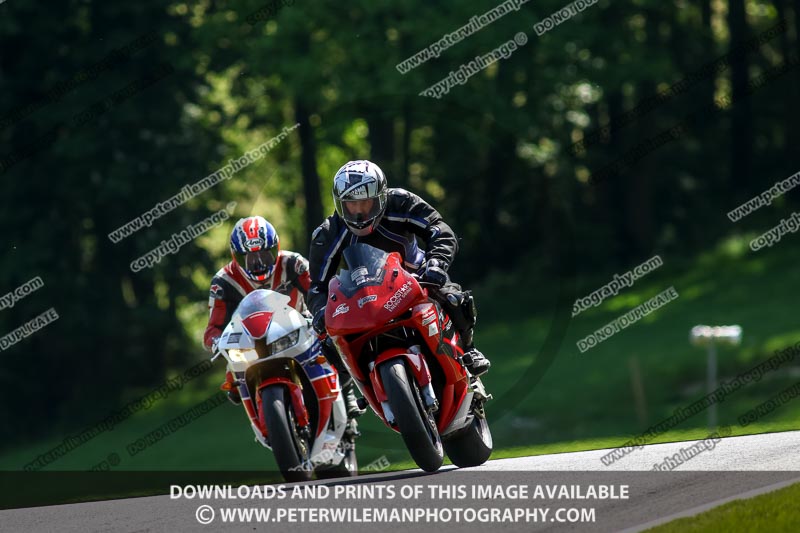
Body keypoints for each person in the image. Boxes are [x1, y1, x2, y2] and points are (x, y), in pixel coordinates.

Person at [307, 160, 491, 377]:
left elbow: (439, 229)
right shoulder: (327, 234)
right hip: (362, 298)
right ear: (339, 203)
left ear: (381, 197)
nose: (358, 212)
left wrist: (436, 262)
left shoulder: (401, 202)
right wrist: (321, 312)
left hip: (416, 276)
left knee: (453, 298)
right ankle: (362, 383)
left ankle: (469, 349)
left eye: (364, 203)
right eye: (350, 204)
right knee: (329, 342)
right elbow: (317, 286)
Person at [204, 215, 362, 417]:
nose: (259, 263)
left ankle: (347, 392)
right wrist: (217, 342)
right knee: (233, 386)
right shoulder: (223, 281)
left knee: (333, 342)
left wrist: (322, 316)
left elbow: (318, 291)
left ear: (276, 248)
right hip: (252, 340)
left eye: (265, 254)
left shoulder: (294, 263)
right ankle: (265, 417)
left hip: (297, 326)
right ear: (236, 257)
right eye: (250, 258)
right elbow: (212, 329)